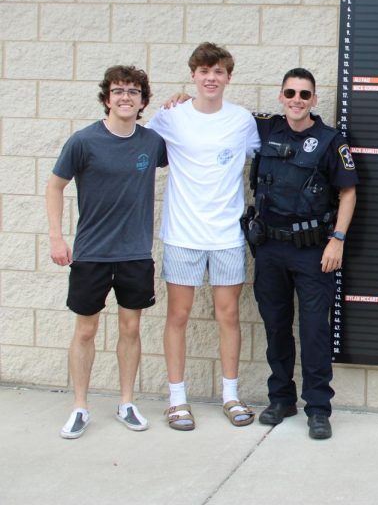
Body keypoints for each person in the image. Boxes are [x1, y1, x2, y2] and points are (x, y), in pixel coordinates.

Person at [47, 65, 167, 439]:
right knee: (86, 330)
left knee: (131, 328)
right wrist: (55, 237)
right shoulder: (83, 141)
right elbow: (54, 187)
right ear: (107, 98)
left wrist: (180, 101)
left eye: (133, 91)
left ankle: (126, 402)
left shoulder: (151, 142)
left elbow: (187, 144)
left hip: (134, 253)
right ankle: (80, 406)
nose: (126, 96)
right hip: (92, 253)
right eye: (118, 91)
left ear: (143, 100)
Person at [147, 43, 260, 431]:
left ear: (229, 77)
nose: (211, 78)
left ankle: (231, 395)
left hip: (227, 235)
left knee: (228, 315)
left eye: (218, 71)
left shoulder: (243, 120)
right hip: (182, 234)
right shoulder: (172, 117)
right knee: (177, 315)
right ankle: (177, 400)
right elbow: (141, 147)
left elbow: (267, 155)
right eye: (203, 71)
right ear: (193, 75)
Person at [249, 68, 358, 440]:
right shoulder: (264, 129)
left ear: (313, 99)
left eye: (304, 94)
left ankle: (318, 408)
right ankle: (281, 399)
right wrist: (182, 101)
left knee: (313, 331)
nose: (297, 100)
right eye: (290, 93)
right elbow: (216, 116)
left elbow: (347, 192)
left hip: (313, 252)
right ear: (281, 96)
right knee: (276, 327)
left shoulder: (330, 141)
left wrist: (338, 239)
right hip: (269, 248)